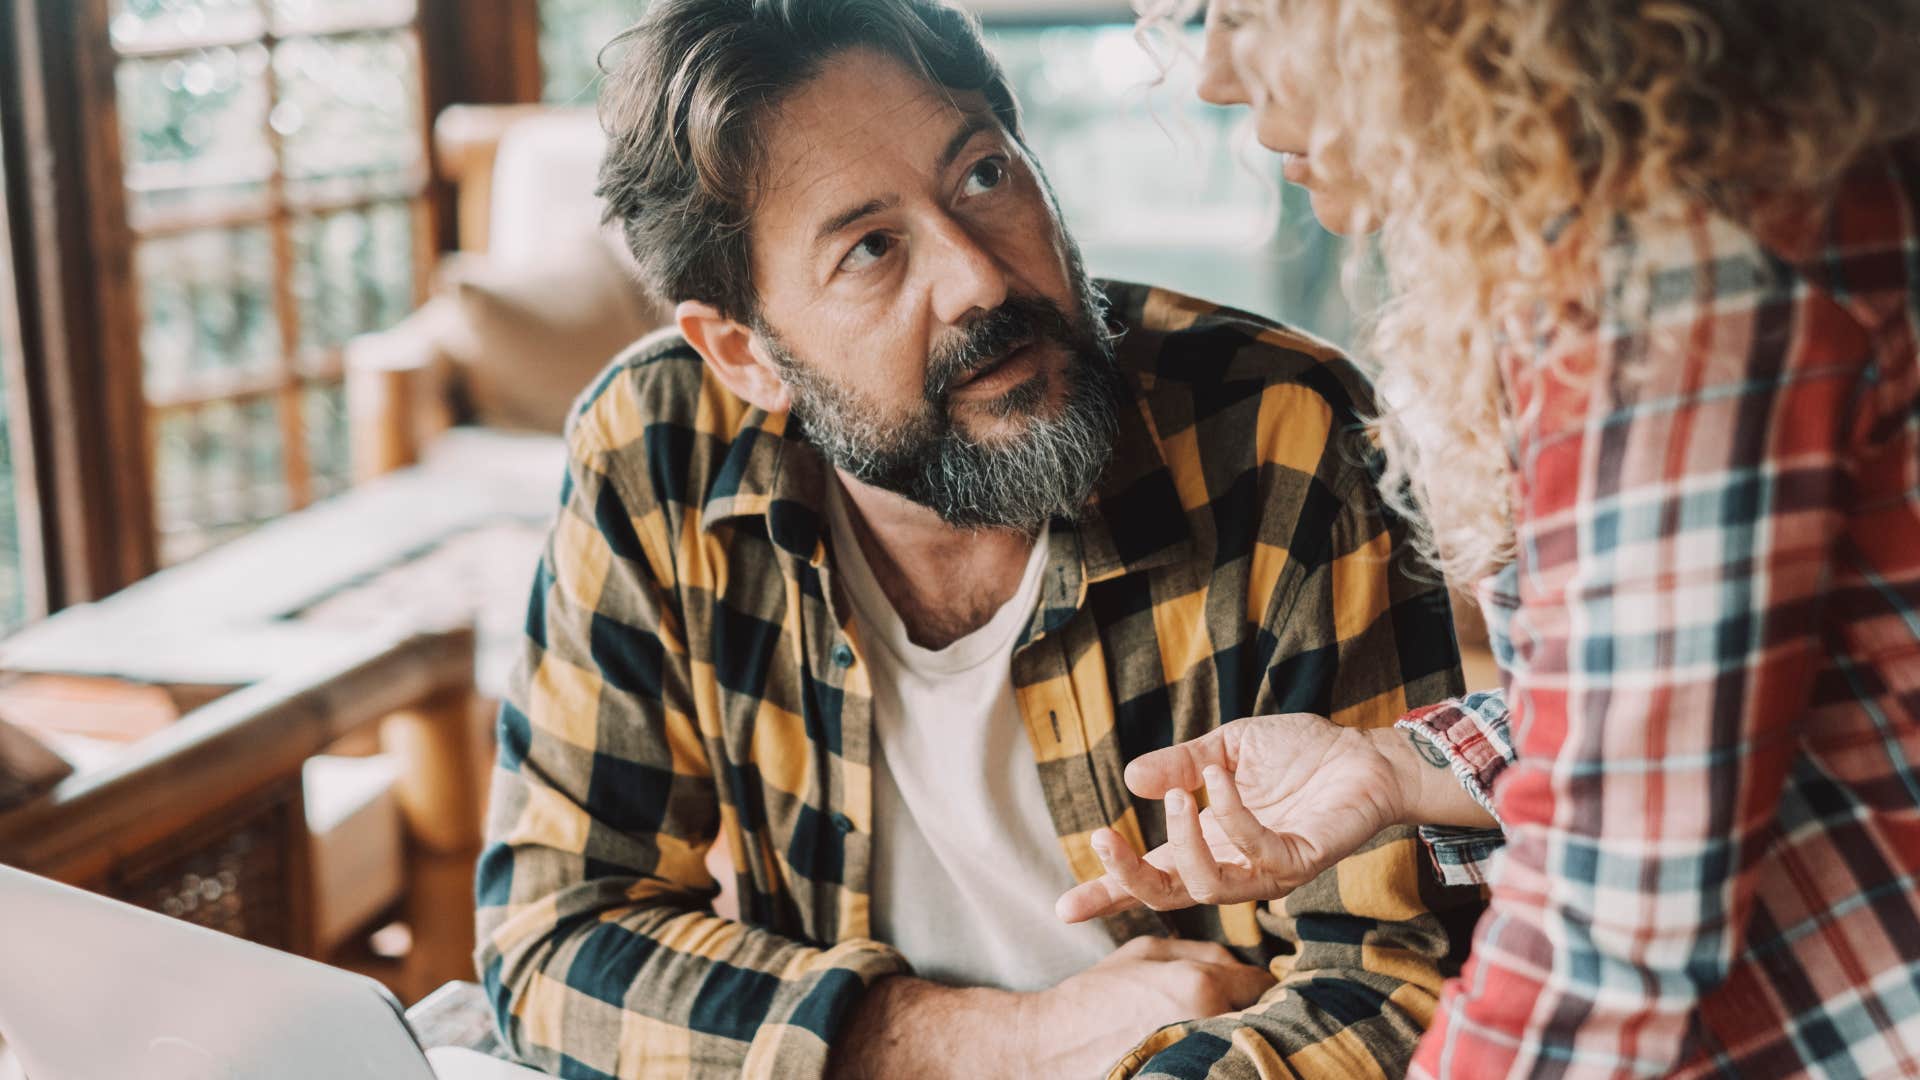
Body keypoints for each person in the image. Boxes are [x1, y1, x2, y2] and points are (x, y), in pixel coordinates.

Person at [473, 1, 1485, 1078]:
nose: (981, 279)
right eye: (871, 248)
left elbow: (1389, 983)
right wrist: (1000, 1043)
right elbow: (552, 937)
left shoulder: (1283, 428)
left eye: (986, 179)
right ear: (743, 353)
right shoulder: (656, 448)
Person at [1060, 1, 1920, 1076]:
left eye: (1245, 16)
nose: (1218, 78)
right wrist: (1392, 765)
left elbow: (1607, 926)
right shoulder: (1651, 237)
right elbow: (1706, 709)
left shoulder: (1673, 284)